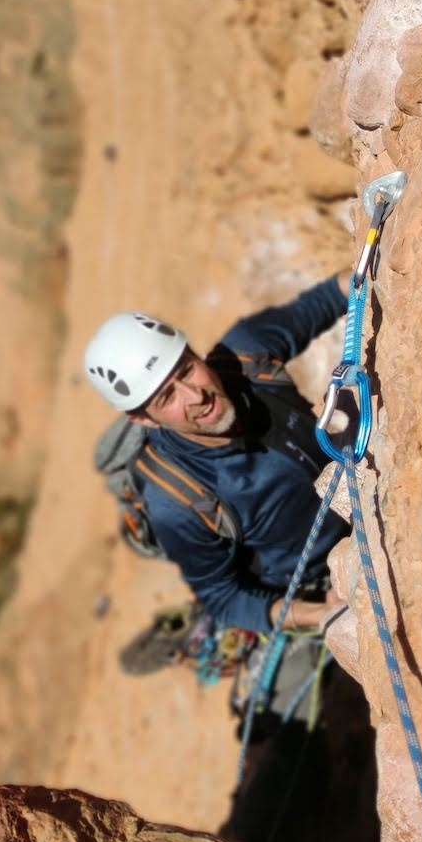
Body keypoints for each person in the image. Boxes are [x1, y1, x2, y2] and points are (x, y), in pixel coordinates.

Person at [84, 273, 352, 643]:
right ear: (144, 420)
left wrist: (375, 254)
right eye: (167, 398)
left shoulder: (244, 355)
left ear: (195, 353)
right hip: (312, 582)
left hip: (356, 492)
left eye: (186, 370)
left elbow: (323, 301)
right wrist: (321, 614)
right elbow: (225, 598)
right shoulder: (175, 500)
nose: (195, 396)